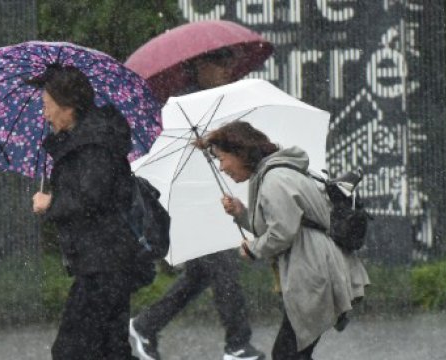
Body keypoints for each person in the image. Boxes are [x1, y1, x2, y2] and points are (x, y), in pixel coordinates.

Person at [129, 49, 265, 360]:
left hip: (209, 204)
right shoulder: (184, 107)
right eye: (222, 63)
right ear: (202, 65)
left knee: (200, 276)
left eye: (231, 62)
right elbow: (171, 160)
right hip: (190, 208)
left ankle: (144, 326)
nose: (228, 69)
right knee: (225, 269)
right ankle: (238, 345)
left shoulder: (218, 101)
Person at [205, 121, 369, 360]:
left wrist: (253, 250)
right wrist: (241, 213)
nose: (221, 167)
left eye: (222, 158)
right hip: (313, 270)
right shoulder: (270, 175)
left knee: (287, 355)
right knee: (292, 354)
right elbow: (278, 224)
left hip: (313, 273)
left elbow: (281, 233)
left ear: (239, 153)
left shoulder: (275, 179)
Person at [30, 65, 154, 360]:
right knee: (110, 348)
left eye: (48, 106)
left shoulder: (95, 144)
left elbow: (92, 197)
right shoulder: (87, 139)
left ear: (68, 107)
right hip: (105, 259)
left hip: (105, 262)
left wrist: (51, 203)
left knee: (71, 350)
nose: (45, 114)